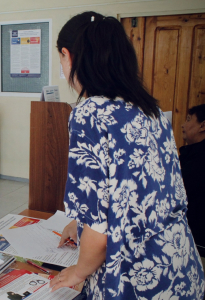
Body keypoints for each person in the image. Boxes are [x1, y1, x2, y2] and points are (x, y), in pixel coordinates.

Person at [49, 11, 205, 299]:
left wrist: (79, 272)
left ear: (67, 55)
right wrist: (80, 221)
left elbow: (99, 236)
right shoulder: (151, 109)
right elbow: (131, 192)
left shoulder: (89, 114)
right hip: (181, 266)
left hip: (135, 279)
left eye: (60, 59)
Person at [180, 104, 205, 259]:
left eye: (189, 120)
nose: (183, 125)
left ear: (203, 125)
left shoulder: (198, 160)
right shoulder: (189, 155)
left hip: (198, 243)